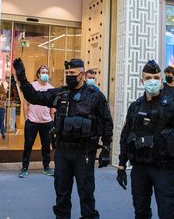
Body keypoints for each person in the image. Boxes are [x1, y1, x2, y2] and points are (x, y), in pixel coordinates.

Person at [13, 58, 113, 219]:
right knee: (61, 193)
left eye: (72, 73)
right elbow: (34, 97)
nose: (69, 76)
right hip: (63, 153)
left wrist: (106, 149)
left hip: (84, 153)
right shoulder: (61, 94)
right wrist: (22, 78)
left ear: (82, 74)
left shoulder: (95, 96)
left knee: (86, 193)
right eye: (67, 73)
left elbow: (107, 121)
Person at [117, 60, 174, 219]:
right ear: (142, 81)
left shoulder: (172, 107)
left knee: (168, 213)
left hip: (164, 169)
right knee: (141, 212)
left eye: (155, 77)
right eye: (148, 78)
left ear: (161, 81)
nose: (152, 81)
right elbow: (125, 137)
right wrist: (121, 165)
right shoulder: (135, 107)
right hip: (139, 168)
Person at [19, 65, 55, 178]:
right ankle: (24, 168)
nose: (45, 74)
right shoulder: (32, 87)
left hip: (46, 122)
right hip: (32, 121)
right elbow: (26, 103)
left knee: (46, 146)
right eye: (42, 72)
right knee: (28, 146)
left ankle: (46, 167)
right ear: (38, 74)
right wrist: (26, 118)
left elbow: (53, 107)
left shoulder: (51, 88)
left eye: (46, 72)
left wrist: (52, 121)